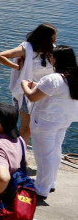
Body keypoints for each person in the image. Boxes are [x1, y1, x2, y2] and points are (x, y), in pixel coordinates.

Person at [21, 44, 78, 198]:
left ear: (57, 59)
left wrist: (25, 86)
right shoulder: (73, 78)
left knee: (43, 154)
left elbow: (32, 97)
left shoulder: (53, 78)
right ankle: (50, 183)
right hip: (64, 120)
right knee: (55, 151)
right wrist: (38, 87)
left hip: (45, 121)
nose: (50, 58)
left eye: (52, 56)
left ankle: (41, 188)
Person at [0, 23, 57, 143]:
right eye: (53, 37)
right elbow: (0, 56)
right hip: (26, 92)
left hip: (44, 92)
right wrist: (18, 67)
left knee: (40, 126)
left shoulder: (51, 50)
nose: (55, 40)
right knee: (27, 127)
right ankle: (21, 155)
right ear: (44, 38)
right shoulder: (27, 48)